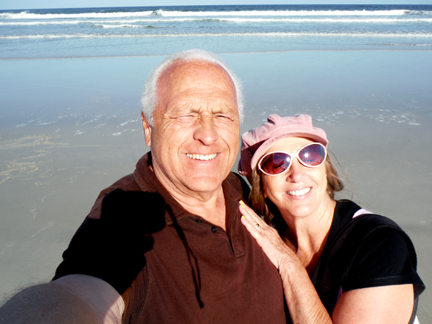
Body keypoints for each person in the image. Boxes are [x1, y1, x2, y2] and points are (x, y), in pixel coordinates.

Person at [0, 50, 287, 323]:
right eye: (185, 114)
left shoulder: (238, 186)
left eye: (223, 115)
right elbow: (79, 293)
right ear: (148, 128)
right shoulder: (126, 215)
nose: (208, 135)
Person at [237, 114, 425, 324]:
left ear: (324, 169)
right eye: (276, 163)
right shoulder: (262, 239)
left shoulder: (379, 243)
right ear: (261, 184)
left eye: (309, 156)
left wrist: (288, 263)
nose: (296, 174)